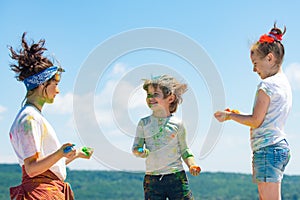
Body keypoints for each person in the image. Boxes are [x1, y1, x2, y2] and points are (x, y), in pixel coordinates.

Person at [8, 32, 94, 199]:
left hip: (46, 190)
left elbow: (46, 168)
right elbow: (32, 169)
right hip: (41, 193)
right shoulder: (29, 119)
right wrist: (60, 152)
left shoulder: (31, 116)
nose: (58, 90)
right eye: (55, 84)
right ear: (42, 85)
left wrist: (76, 155)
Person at [214, 24, 291, 200]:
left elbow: (256, 120)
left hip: (267, 149)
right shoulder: (284, 83)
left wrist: (230, 116)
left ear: (269, 58)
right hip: (279, 146)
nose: (254, 69)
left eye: (255, 64)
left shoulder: (267, 86)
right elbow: (266, 117)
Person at [132, 75, 201, 200]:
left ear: (170, 98)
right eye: (148, 95)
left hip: (176, 177)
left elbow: (185, 150)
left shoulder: (178, 124)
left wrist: (192, 165)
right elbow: (136, 147)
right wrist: (140, 152)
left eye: (155, 94)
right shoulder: (144, 123)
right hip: (152, 179)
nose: (150, 98)